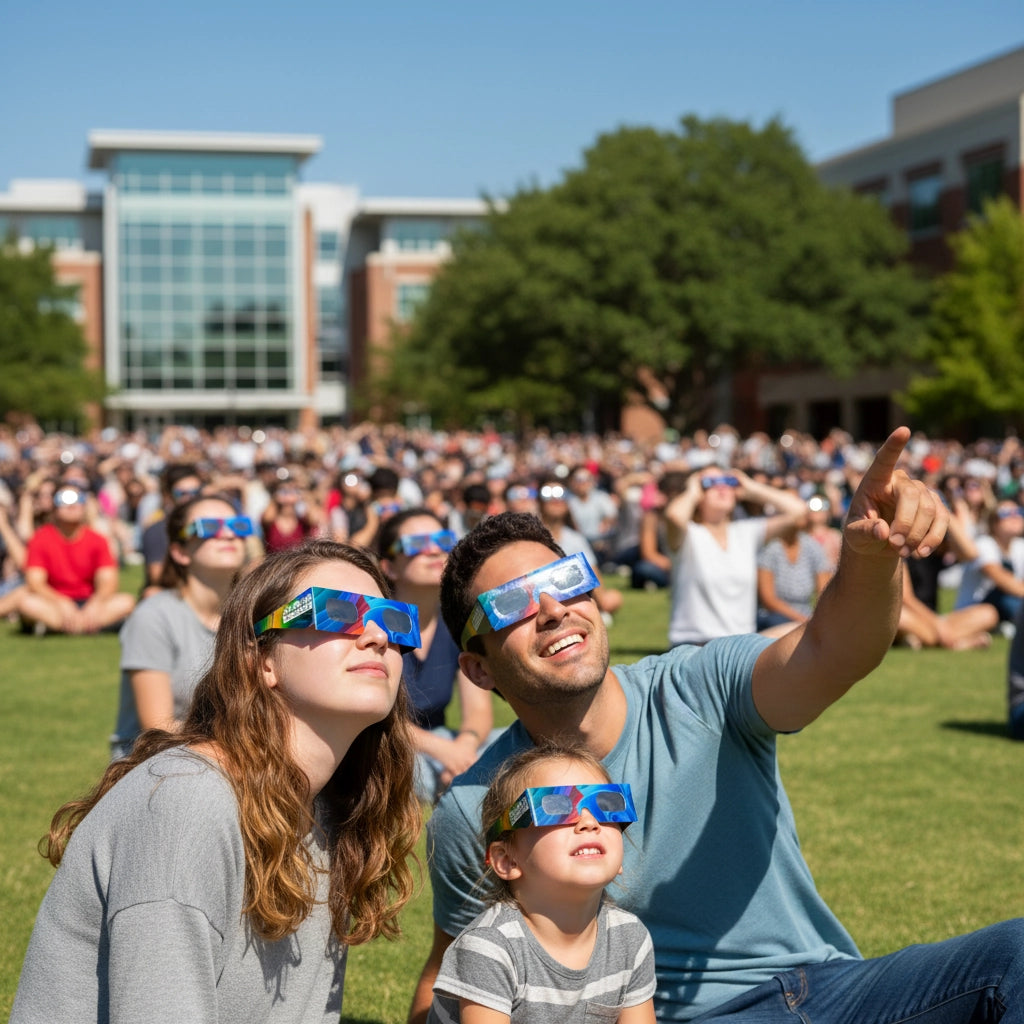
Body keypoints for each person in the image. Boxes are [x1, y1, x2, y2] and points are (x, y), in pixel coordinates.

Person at [409, 428, 1024, 1024]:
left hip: (832, 988)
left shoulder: (700, 686)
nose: (552, 609)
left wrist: (867, 557)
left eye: (566, 580)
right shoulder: (478, 808)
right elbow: (453, 977)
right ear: (478, 668)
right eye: (510, 604)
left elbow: (834, 651)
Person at [12, 539, 421, 1024]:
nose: (376, 636)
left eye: (393, 619)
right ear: (261, 660)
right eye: (338, 612)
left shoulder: (329, 811)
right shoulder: (187, 802)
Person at [426, 739, 656, 1023]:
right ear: (507, 860)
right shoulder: (490, 948)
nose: (589, 822)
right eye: (557, 806)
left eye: (607, 805)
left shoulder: (630, 938)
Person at [109, 494, 253, 760]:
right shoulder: (152, 617)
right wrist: (250, 739)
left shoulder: (252, 617)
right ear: (180, 552)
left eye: (238, 526)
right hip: (152, 762)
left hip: (231, 754)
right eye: (209, 527)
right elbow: (158, 727)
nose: (228, 534)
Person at [376, 507, 499, 804]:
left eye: (443, 541)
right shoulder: (374, 626)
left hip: (445, 741)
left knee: (513, 739)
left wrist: (464, 746)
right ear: (389, 567)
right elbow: (374, 719)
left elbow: (478, 711)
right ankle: (467, 783)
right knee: (400, 767)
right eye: (417, 544)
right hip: (385, 745)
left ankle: (460, 780)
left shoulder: (458, 625)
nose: (433, 551)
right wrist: (444, 751)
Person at [663, 466, 807, 645]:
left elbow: (799, 512)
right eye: (710, 483)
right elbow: (674, 516)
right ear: (699, 493)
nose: (721, 488)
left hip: (739, 647)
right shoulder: (688, 534)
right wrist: (692, 491)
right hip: (695, 645)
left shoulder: (746, 532)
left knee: (801, 631)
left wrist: (752, 489)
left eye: (727, 482)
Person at [18, 482, 136, 634]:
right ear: (54, 506)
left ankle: (67, 626)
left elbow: (109, 582)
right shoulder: (39, 539)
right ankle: (87, 626)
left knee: (126, 601)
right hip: (54, 602)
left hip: (89, 602)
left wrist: (95, 604)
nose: (71, 506)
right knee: (27, 603)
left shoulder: (98, 540)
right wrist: (61, 602)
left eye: (77, 499)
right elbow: (35, 583)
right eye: (64, 500)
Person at [755, 506, 834, 631]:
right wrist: (801, 620)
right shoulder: (770, 549)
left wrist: (816, 619)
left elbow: (823, 591)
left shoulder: (812, 547)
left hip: (807, 614)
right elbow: (768, 599)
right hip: (776, 616)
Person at [954, 500, 1024, 627]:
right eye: (1006, 513)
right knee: (1009, 600)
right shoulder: (984, 544)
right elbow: (1002, 580)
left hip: (1001, 606)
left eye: (1019, 512)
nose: (1015, 517)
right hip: (974, 609)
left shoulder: (1019, 546)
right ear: (994, 523)